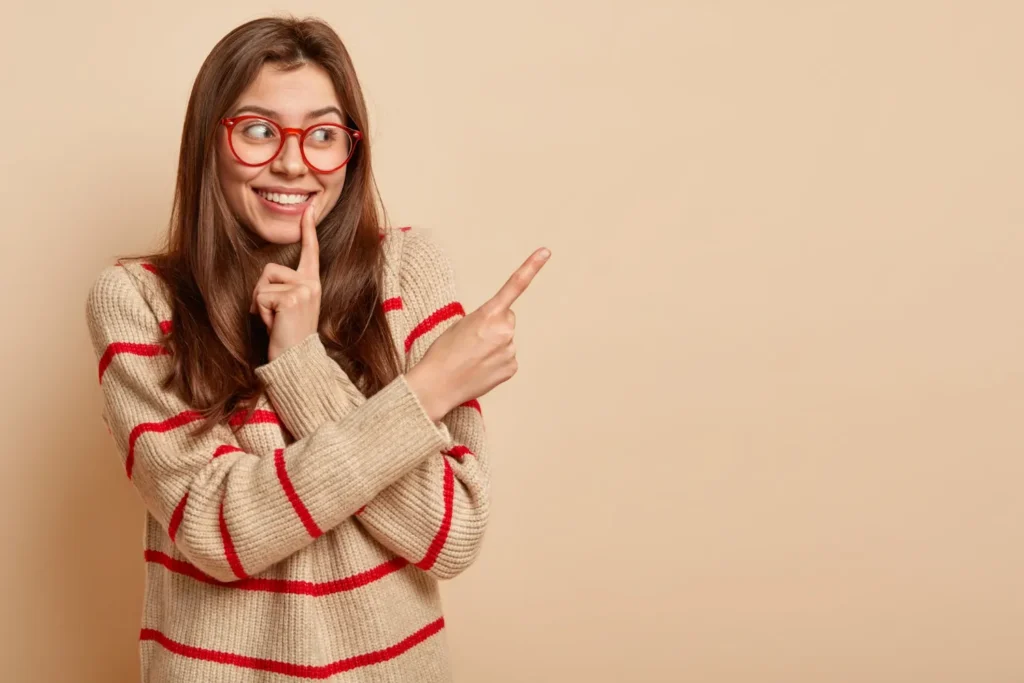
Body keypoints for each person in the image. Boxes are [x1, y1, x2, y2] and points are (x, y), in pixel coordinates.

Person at [84, 15, 549, 682]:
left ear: (351, 149)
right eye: (258, 130)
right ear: (209, 143)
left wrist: (303, 369)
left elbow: (450, 533)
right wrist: (424, 393)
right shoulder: (139, 300)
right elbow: (220, 530)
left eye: (323, 135)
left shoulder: (408, 270)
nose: (293, 161)